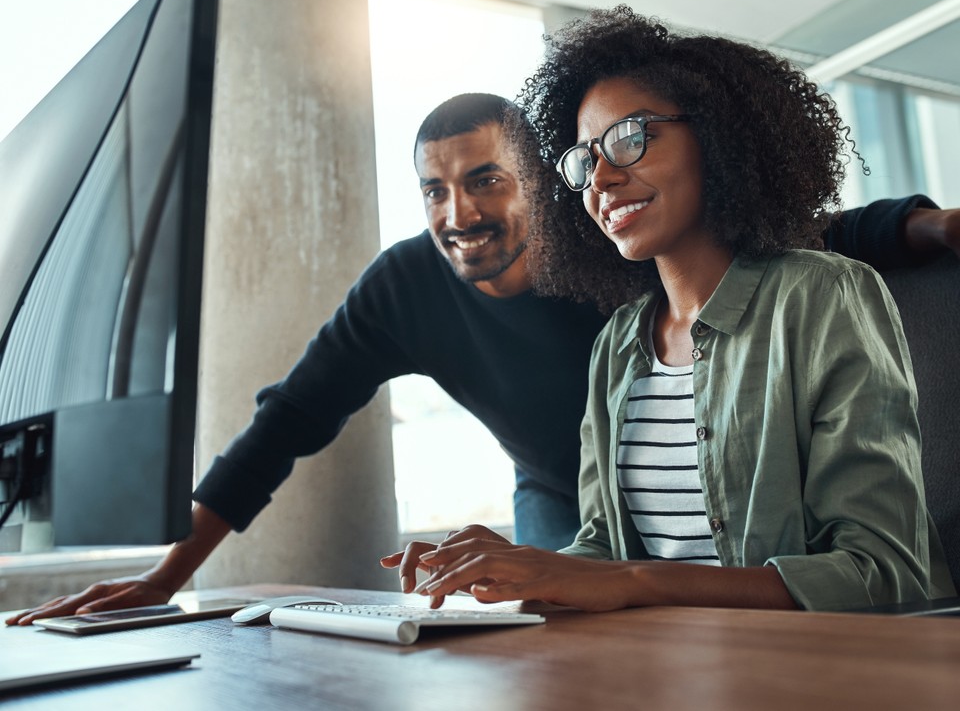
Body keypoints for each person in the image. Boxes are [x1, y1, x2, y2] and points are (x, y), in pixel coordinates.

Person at [7, 88, 958, 624]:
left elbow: (798, 239)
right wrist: (171, 577)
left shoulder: (614, 241)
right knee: (541, 633)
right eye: (434, 191)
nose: (459, 216)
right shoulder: (404, 287)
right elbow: (286, 420)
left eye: (487, 182)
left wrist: (931, 225)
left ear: (543, 186)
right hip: (567, 494)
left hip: (732, 483)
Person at [381, 8, 957, 612]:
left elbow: (883, 575)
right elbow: (604, 551)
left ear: (715, 135)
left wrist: (637, 582)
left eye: (631, 138)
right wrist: (511, 570)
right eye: (584, 160)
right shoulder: (618, 343)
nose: (601, 177)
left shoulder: (824, 296)